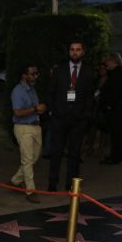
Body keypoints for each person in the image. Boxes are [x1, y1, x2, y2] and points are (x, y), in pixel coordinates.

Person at [44, 41, 95, 191]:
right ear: (69, 52)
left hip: (78, 120)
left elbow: (90, 96)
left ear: (83, 52)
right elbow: (50, 92)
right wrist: (52, 111)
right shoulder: (58, 70)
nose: (75, 52)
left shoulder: (88, 72)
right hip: (59, 118)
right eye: (72, 49)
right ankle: (52, 183)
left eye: (78, 50)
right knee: (56, 152)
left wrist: (86, 115)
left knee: (74, 154)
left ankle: (71, 185)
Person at [9, 64, 45, 203]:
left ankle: (15, 180)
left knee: (33, 158)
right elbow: (17, 112)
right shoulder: (18, 91)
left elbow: (35, 108)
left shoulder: (32, 89)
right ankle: (30, 191)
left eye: (36, 73)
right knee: (28, 160)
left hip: (35, 126)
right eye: (32, 73)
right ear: (24, 75)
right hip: (23, 128)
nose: (36, 76)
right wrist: (36, 108)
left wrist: (40, 109)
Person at [99, 52, 122, 165]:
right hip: (116, 107)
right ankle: (115, 155)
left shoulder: (118, 74)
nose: (106, 63)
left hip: (116, 108)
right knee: (116, 132)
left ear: (113, 61)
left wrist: (108, 105)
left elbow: (114, 93)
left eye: (107, 61)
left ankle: (115, 157)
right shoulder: (117, 73)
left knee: (116, 133)